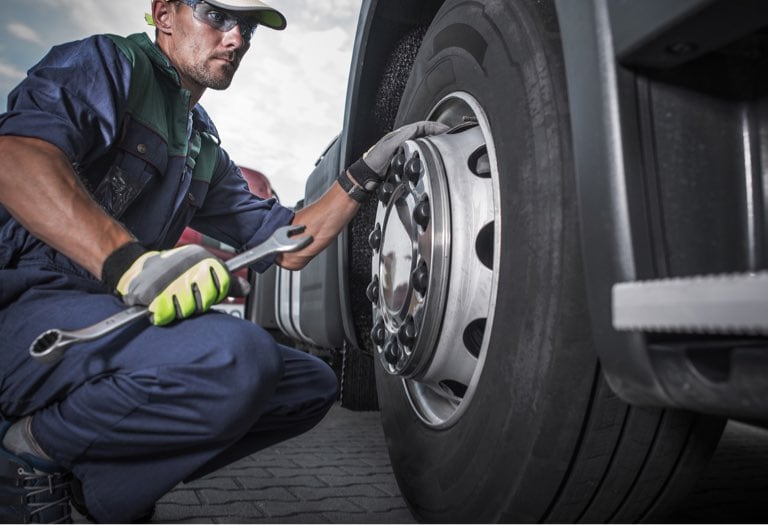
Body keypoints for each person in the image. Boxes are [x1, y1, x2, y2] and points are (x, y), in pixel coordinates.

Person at [0, 0, 447, 522]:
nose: (237, 39)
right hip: (26, 308)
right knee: (234, 358)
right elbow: (17, 159)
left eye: (249, 27)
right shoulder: (107, 63)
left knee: (306, 386)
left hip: (106, 319)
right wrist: (130, 262)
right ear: (164, 14)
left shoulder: (202, 144)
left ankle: (97, 487)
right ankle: (28, 449)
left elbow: (291, 244)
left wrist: (367, 170)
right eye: (216, 15)